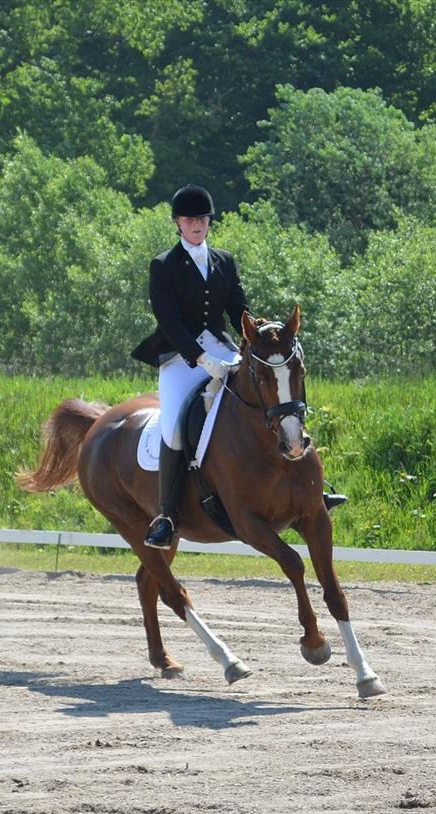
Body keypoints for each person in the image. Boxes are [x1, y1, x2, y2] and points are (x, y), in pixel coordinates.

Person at [131, 184, 344, 550]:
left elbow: (238, 311)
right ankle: (166, 514)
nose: (197, 225)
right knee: (175, 427)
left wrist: (262, 334)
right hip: (180, 359)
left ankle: (310, 492)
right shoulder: (163, 265)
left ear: (209, 222)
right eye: (189, 219)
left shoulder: (223, 261)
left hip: (223, 347)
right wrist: (199, 359)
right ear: (178, 223)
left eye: (202, 219)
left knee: (268, 397)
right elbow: (168, 321)